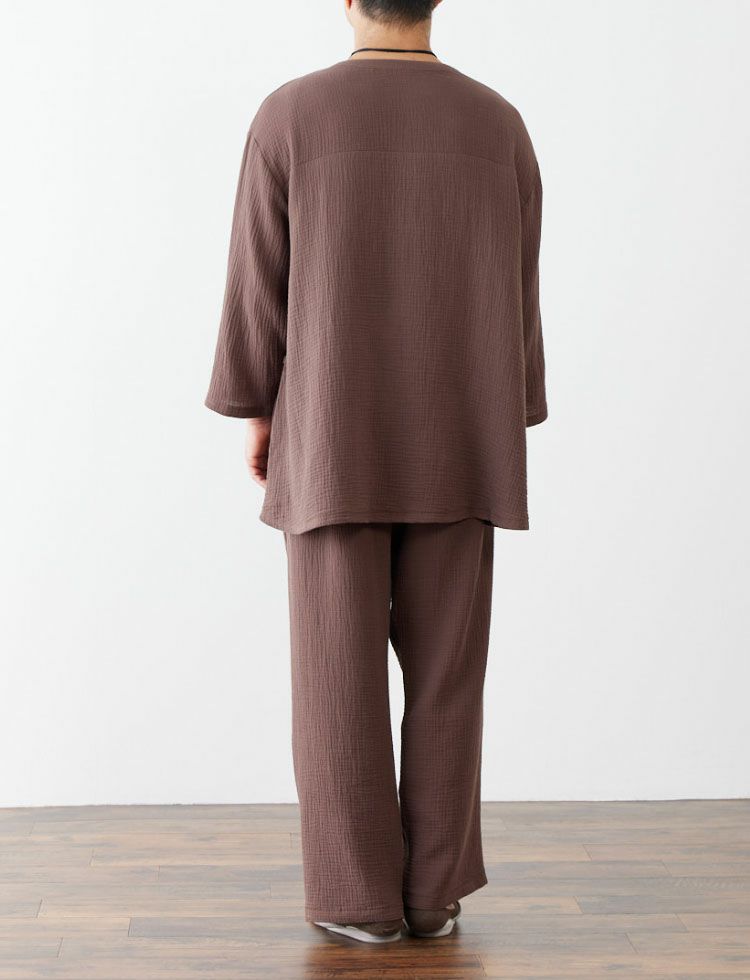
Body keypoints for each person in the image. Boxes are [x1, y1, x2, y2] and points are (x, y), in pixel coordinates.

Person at [205, 0, 547, 945]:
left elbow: (257, 279)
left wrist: (258, 406)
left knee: (335, 676)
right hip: (462, 436)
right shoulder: (498, 123)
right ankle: (433, 893)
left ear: (348, 0)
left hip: (331, 434)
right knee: (447, 678)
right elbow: (519, 286)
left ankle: (359, 901)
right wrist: (511, 407)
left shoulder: (290, 115)